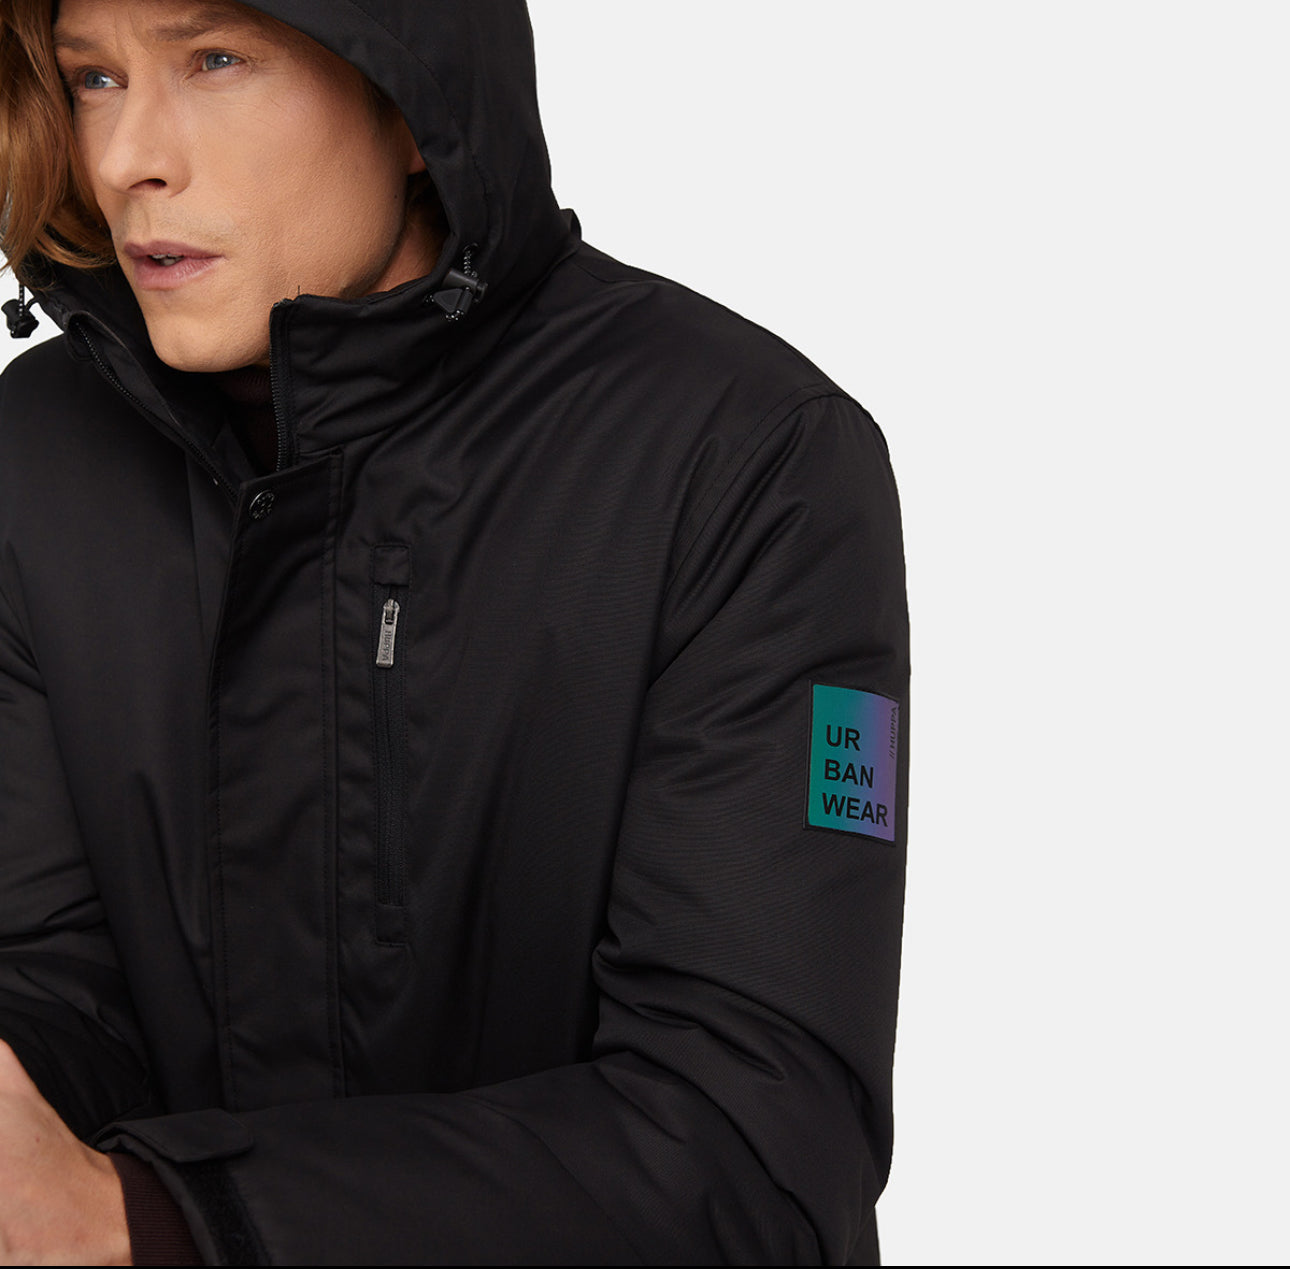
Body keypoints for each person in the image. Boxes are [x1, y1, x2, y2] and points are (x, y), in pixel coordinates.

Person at [0, 0, 910, 1263]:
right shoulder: (38, 454)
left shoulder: (749, 462)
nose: (123, 161)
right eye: (93, 79)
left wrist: (154, 1220)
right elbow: (59, 983)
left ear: (413, 99)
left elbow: (761, 1149)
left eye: (214, 60)